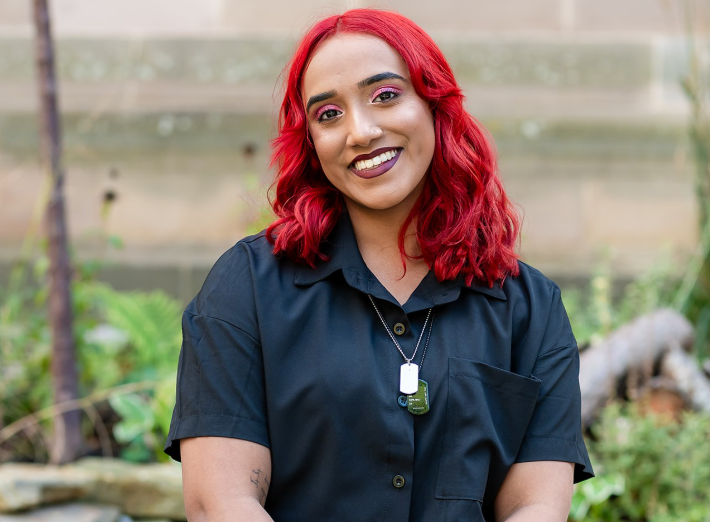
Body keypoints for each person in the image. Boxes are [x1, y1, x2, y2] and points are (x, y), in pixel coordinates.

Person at [164, 8, 594, 522]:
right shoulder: (246, 289)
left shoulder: (530, 309)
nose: (361, 132)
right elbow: (221, 503)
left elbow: (536, 507)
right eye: (328, 114)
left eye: (385, 95)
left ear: (435, 105)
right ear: (310, 143)